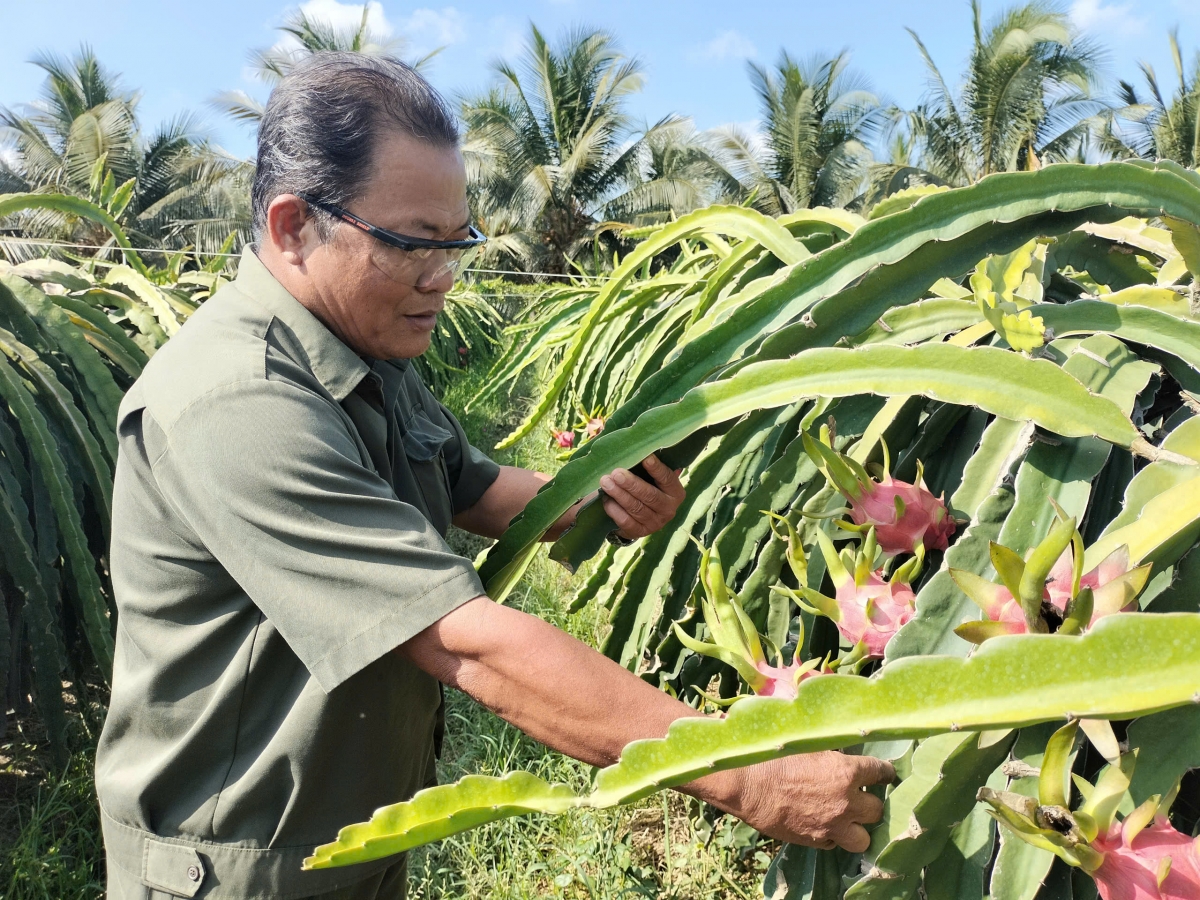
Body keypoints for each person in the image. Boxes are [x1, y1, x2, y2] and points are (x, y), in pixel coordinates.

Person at [95, 52, 893, 900]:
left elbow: (470, 488)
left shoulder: (365, 350)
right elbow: (463, 642)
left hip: (345, 839)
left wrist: (603, 499)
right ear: (294, 227)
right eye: (412, 245)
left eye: (457, 244)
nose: (442, 278)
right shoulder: (236, 401)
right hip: (230, 868)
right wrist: (745, 775)